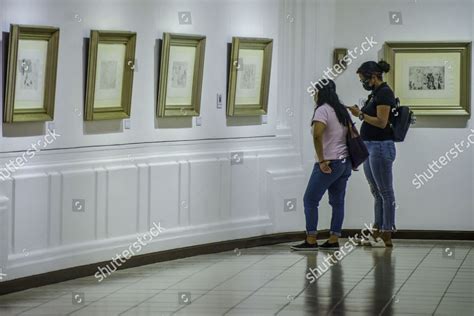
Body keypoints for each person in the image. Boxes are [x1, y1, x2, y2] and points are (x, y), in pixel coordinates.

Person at [292, 79, 352, 251]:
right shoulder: (341, 110)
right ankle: (334, 239)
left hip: (329, 162)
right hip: (344, 162)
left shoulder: (322, 110)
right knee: (337, 201)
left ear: (319, 92)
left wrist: (322, 160)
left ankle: (311, 239)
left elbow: (317, 135)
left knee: (310, 200)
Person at [348, 60, 397, 247]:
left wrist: (360, 114)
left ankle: (387, 233)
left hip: (381, 147)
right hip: (370, 146)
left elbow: (382, 122)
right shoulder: (375, 93)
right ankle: (377, 230)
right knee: (376, 192)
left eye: (363, 79)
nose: (363, 83)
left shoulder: (384, 93)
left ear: (374, 77)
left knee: (386, 192)